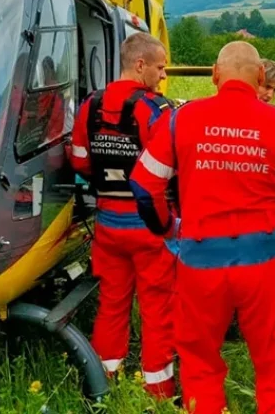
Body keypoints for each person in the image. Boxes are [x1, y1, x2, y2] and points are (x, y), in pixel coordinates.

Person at [130, 41, 275, 414]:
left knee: (199, 362)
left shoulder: (182, 118)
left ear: (214, 75)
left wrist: (168, 231)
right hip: (264, 265)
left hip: (199, 263)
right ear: (259, 77)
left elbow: (144, 186)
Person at [67, 33, 177, 399]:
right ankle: (157, 388)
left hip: (108, 224)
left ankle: (104, 381)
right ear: (140, 64)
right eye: (160, 67)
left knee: (112, 304)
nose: (163, 75)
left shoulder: (90, 105)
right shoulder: (155, 110)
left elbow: (80, 160)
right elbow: (169, 169)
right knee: (157, 307)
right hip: (148, 225)